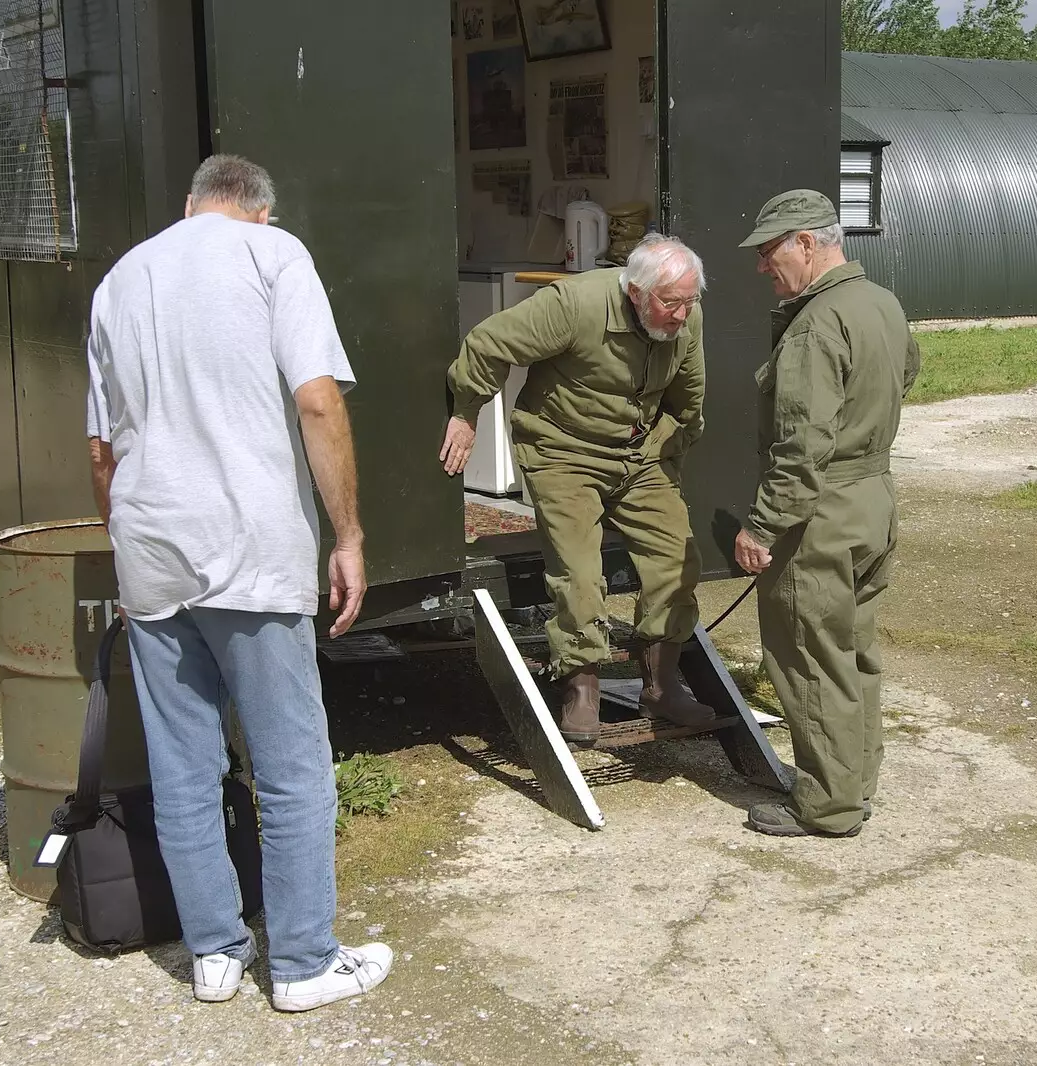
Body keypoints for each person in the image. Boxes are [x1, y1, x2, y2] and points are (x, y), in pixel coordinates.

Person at [85, 154, 391, 1010]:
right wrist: (349, 535)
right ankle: (300, 962)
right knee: (292, 765)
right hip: (249, 543)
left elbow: (101, 451)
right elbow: (319, 400)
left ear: (190, 207)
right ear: (261, 211)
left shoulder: (120, 279)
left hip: (149, 544)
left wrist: (129, 547)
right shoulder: (273, 255)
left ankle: (214, 952)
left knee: (184, 764)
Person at [440, 234, 716, 745]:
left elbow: (688, 398)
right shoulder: (575, 304)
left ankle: (659, 684)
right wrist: (466, 411)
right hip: (563, 450)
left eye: (690, 300)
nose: (681, 314)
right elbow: (489, 343)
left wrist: (667, 451)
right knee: (580, 570)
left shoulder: (686, 320)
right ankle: (581, 684)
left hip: (638, 454)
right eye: (670, 302)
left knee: (678, 557)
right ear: (636, 291)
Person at [731, 190, 921, 838]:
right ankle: (854, 786)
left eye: (769, 252)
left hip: (821, 513)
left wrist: (761, 526)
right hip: (874, 502)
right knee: (854, 649)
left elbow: (802, 444)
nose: (763, 268)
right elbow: (908, 373)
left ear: (807, 244)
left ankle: (827, 805)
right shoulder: (882, 304)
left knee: (810, 656)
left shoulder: (815, 322)